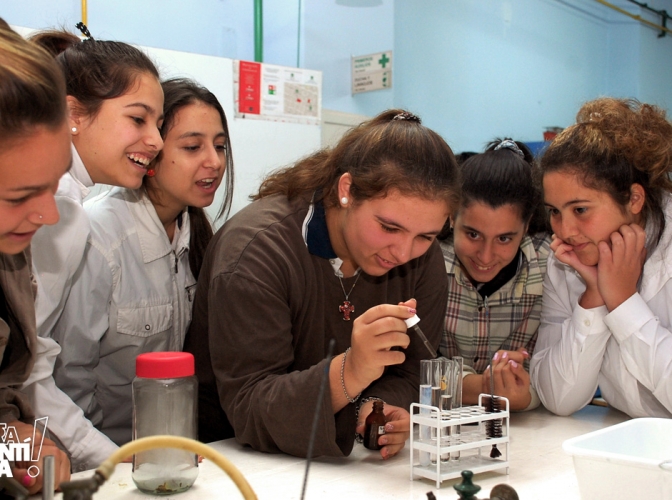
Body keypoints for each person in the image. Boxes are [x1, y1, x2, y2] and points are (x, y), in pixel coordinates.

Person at [184, 109, 459, 458]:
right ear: (347, 190)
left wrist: (376, 408)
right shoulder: (256, 252)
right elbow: (250, 407)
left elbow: (414, 371)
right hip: (227, 460)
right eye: (389, 228)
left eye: (426, 235)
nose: (404, 252)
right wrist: (352, 370)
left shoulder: (423, 257)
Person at [51, 78, 234, 445]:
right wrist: (104, 461)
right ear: (152, 151)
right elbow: (68, 380)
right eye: (192, 146)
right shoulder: (98, 235)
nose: (213, 162)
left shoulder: (198, 237)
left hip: (173, 451)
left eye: (219, 146)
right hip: (103, 456)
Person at [22, 26, 164, 470]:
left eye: (158, 123)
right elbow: (28, 373)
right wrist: (113, 464)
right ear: (74, 114)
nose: (156, 140)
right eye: (138, 119)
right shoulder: (60, 204)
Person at [529, 97, 672, 418]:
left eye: (580, 209)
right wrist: (594, 297)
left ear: (634, 198)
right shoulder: (566, 260)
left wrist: (622, 300)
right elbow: (558, 398)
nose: (565, 230)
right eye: (554, 212)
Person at [0, 21, 70, 494]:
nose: (47, 213)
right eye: (21, 195)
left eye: (56, 182)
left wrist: (11, 440)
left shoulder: (10, 251)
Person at [438, 139, 551, 411]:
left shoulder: (554, 267)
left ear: (526, 227)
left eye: (504, 238)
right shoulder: (425, 263)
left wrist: (525, 397)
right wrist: (483, 388)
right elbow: (409, 372)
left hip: (531, 432)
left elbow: (557, 377)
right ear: (452, 217)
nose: (485, 257)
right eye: (473, 234)